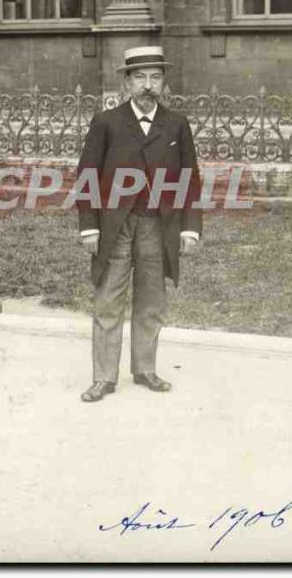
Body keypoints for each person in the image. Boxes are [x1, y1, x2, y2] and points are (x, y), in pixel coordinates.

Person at [76, 45, 202, 402]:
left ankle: (145, 369)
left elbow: (189, 178)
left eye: (155, 77)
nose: (148, 85)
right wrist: (89, 226)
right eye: (141, 77)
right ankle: (104, 377)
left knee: (151, 301)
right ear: (128, 82)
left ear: (164, 82)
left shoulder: (176, 123)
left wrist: (190, 226)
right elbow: (87, 176)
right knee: (108, 300)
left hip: (156, 226)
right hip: (116, 226)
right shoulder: (107, 122)